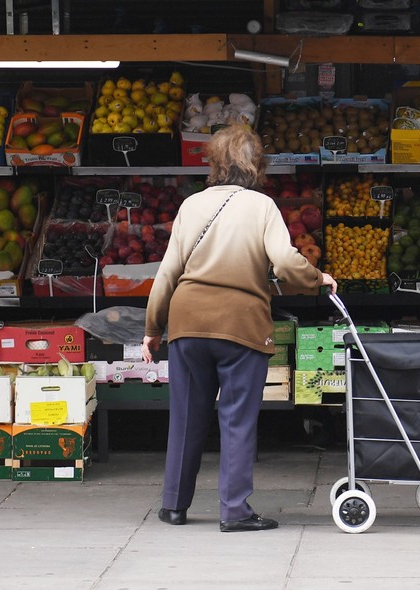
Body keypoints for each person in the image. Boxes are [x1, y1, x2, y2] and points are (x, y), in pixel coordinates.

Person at [142, 124, 337, 532]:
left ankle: (174, 506)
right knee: (236, 420)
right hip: (241, 325)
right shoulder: (262, 206)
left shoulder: (191, 205)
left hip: (187, 322)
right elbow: (284, 264)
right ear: (256, 164)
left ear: (214, 162)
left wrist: (153, 328)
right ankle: (234, 512)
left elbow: (167, 273)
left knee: (185, 418)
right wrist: (317, 278)